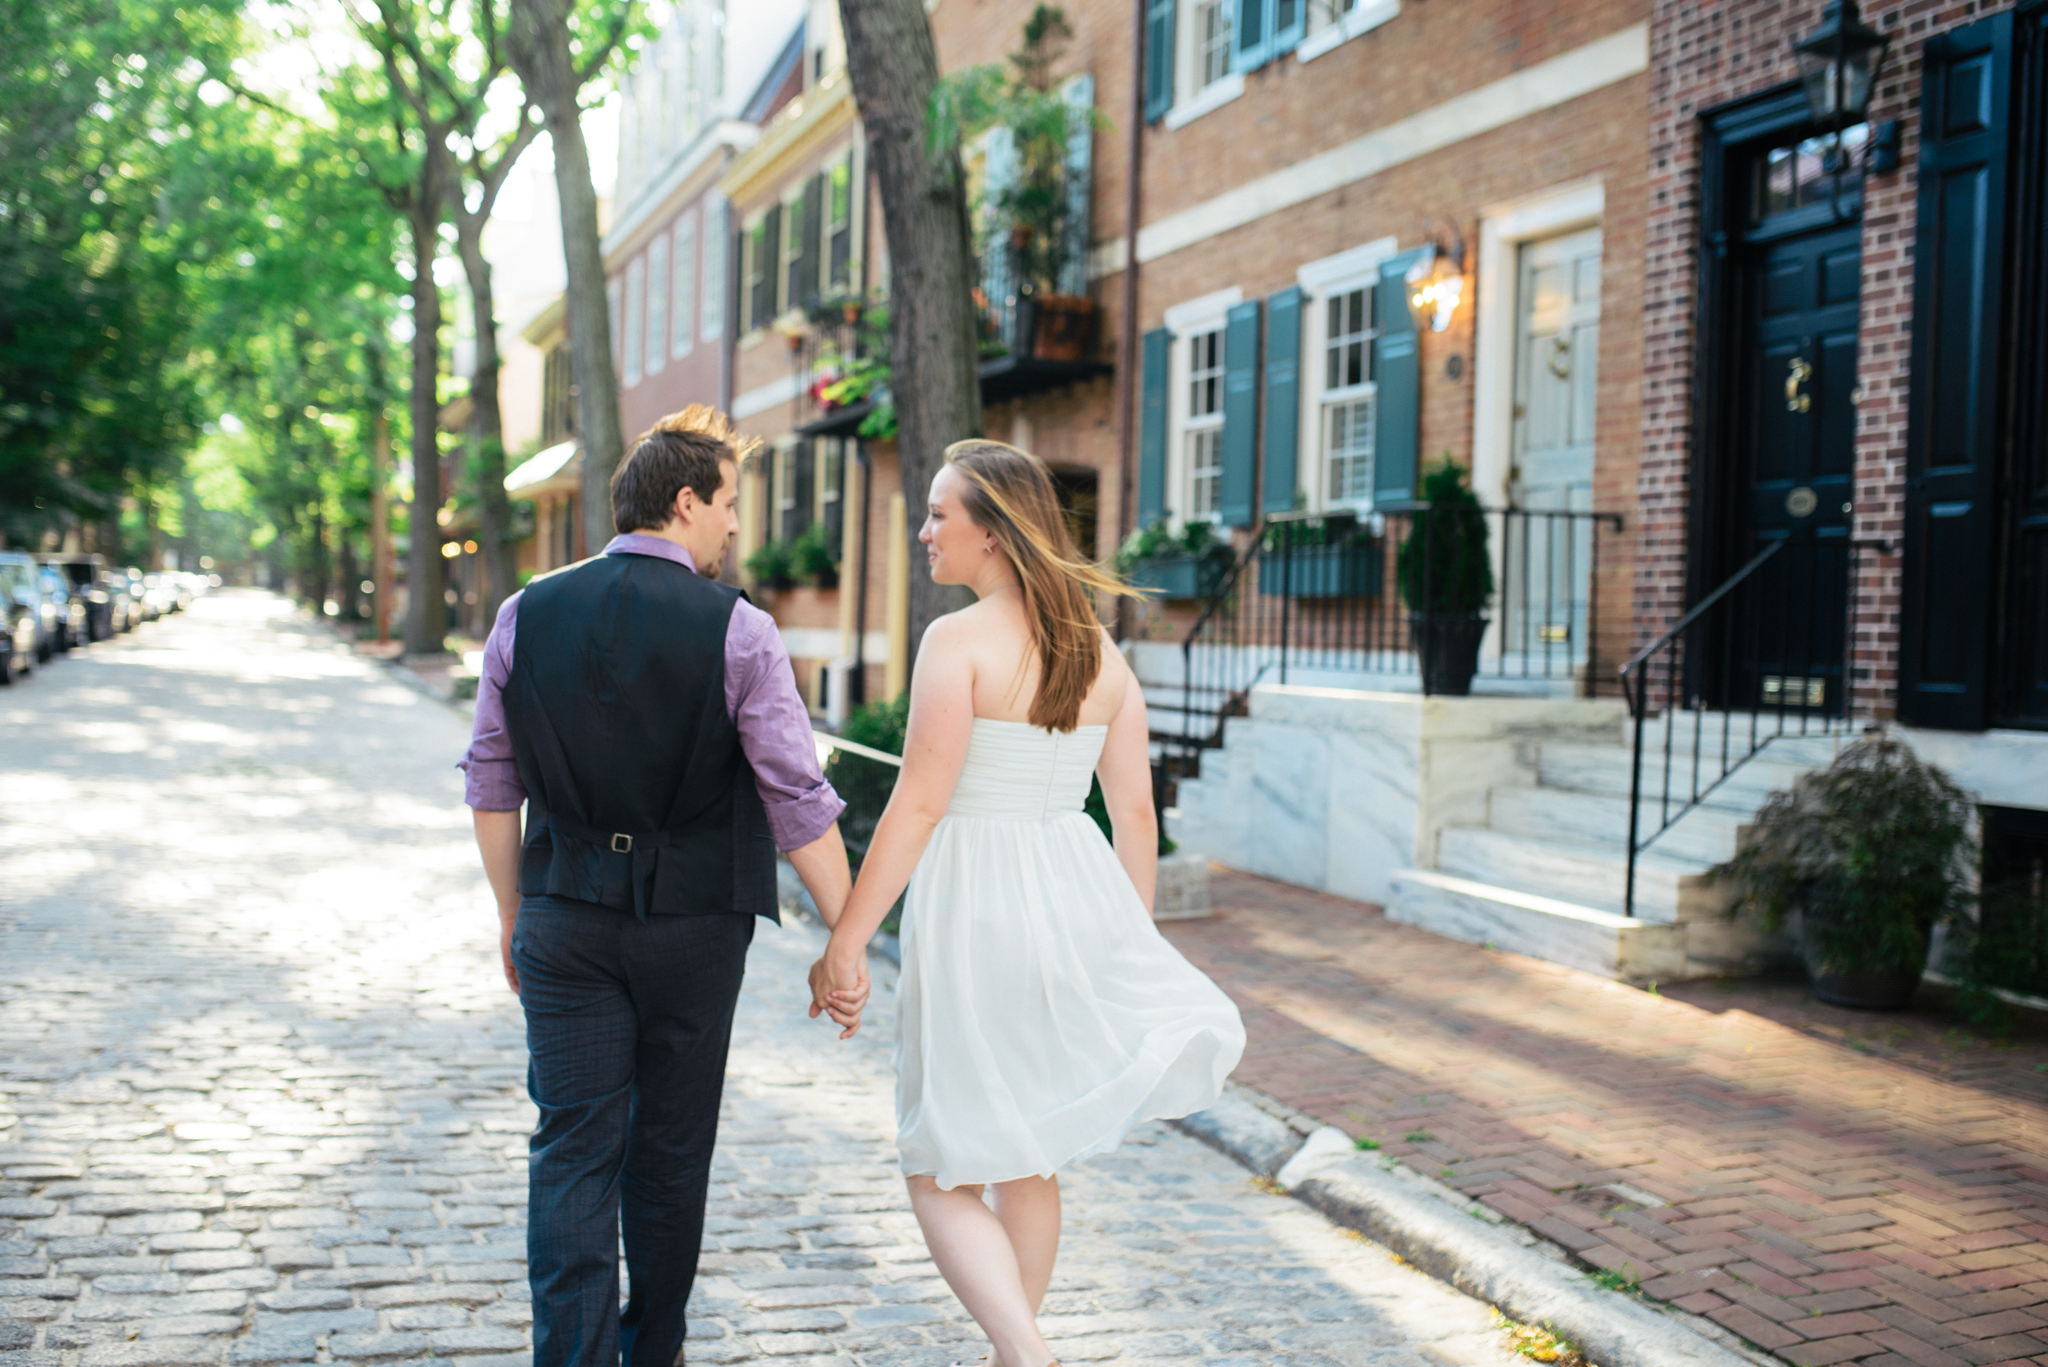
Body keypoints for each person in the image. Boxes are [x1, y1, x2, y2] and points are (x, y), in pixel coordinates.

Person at [806, 440, 1246, 1367]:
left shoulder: (955, 643)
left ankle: (1026, 1350)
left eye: (939, 514)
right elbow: (1134, 813)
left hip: (979, 905)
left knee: (936, 1159)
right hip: (1074, 898)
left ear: (995, 534)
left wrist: (847, 940)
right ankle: (1018, 1356)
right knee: (1025, 1152)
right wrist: (1126, 939)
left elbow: (920, 803)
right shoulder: (1101, 651)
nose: (924, 531)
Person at [461, 406, 861, 1367]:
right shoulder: (741, 629)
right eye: (728, 504)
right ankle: (654, 1354)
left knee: (571, 1153)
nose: (734, 525)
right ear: (686, 502)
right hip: (694, 929)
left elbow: (491, 778)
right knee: (672, 1154)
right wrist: (845, 937)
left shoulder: (525, 611)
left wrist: (515, 915)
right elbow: (796, 797)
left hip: (563, 916)